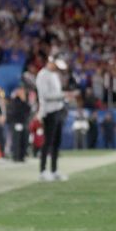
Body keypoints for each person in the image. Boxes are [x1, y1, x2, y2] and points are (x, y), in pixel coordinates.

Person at [36, 54, 70, 182]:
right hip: (48, 112)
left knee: (56, 142)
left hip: (57, 110)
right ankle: (43, 170)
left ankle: (54, 170)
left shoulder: (54, 75)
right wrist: (62, 95)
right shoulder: (42, 75)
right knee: (48, 142)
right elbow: (45, 95)